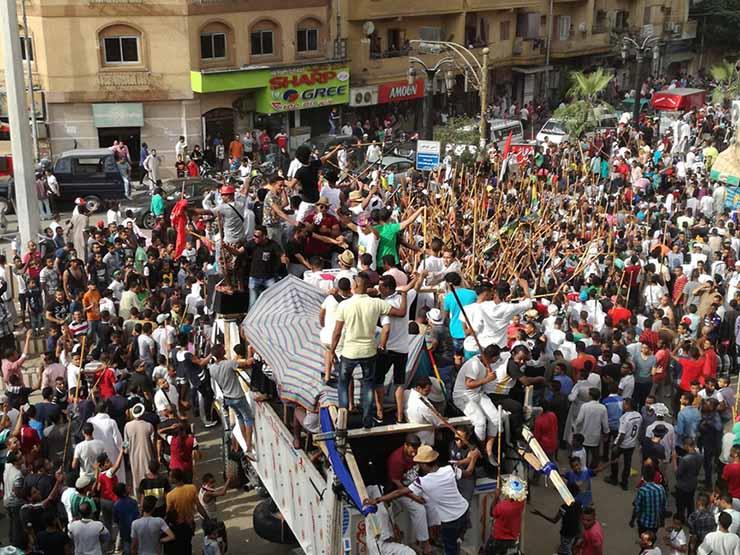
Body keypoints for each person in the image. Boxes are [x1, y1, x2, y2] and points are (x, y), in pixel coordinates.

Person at [326, 272, 408, 429]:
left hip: (349, 352)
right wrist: (404, 295)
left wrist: (332, 351)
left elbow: (337, 332)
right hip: (369, 352)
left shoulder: (344, 305)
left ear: (355, 286)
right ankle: (367, 420)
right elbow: (401, 312)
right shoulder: (377, 304)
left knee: (343, 384)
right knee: (368, 385)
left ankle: (342, 419)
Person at [366, 444, 480, 554]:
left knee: (450, 550)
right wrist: (473, 457)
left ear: (424, 464)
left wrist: (377, 500)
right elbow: (469, 472)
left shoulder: (422, 482)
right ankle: (457, 541)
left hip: (450, 521)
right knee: (456, 541)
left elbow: (399, 492)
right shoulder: (449, 469)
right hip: (464, 512)